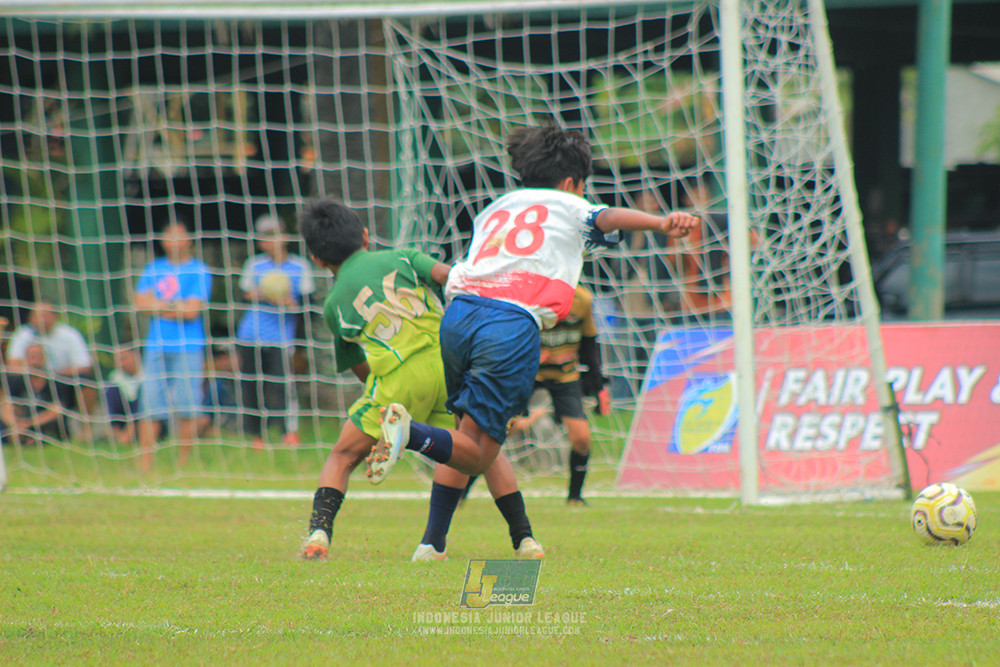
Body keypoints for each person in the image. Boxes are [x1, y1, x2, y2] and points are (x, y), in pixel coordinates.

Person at [367, 125, 697, 491]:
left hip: (459, 315)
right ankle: (413, 435)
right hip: (507, 324)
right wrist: (660, 223)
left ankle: (436, 543)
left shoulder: (495, 209)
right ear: (572, 182)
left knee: (466, 435)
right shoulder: (570, 204)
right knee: (480, 450)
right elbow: (606, 218)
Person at [296, 197, 543, 562]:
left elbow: (357, 363)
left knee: (343, 454)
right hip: (449, 364)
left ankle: (319, 533)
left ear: (317, 259)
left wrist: (379, 398)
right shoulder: (404, 257)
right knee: (479, 451)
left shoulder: (333, 304)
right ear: (365, 236)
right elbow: (449, 276)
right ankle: (521, 539)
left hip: (399, 379)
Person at [458, 284, 610, 507]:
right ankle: (461, 492)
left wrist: (598, 385)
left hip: (565, 376)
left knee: (581, 438)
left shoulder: (582, 299)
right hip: (527, 374)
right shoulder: (530, 297)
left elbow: (590, 344)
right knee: (493, 434)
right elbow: (509, 338)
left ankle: (574, 498)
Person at [133, 219, 213, 472]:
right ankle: (145, 465)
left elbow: (193, 311)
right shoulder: (153, 268)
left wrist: (159, 305)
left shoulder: (199, 270)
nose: (174, 242)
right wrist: (175, 306)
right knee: (150, 405)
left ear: (189, 239)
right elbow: (140, 303)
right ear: (163, 241)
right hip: (156, 346)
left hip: (188, 347)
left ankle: (183, 465)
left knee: (186, 406)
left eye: (179, 236)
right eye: (169, 236)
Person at [235, 213, 315, 449]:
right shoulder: (254, 264)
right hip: (249, 335)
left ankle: (287, 433)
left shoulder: (300, 266)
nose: (271, 240)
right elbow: (244, 295)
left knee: (282, 386)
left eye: (274, 234)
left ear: (285, 237)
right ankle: (255, 436)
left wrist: (290, 303)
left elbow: (309, 305)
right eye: (265, 236)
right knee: (252, 386)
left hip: (281, 338)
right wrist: (265, 295)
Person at [5, 301, 98, 438]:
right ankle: (15, 427)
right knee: (7, 380)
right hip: (31, 379)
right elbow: (12, 363)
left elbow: (84, 365)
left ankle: (86, 430)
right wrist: (36, 371)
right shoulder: (23, 334)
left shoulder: (69, 335)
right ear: (31, 318)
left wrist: (52, 375)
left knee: (87, 380)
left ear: (55, 317)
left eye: (46, 315)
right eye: (38, 315)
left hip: (60, 380)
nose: (42, 319)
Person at [0, 343, 68, 446]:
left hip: (42, 424)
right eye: (32, 357)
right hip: (20, 424)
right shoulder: (16, 381)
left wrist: (29, 423)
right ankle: (20, 437)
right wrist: (16, 424)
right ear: (25, 360)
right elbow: (6, 405)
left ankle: (30, 438)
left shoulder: (55, 382)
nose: (35, 361)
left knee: (54, 423)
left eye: (39, 357)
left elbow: (57, 410)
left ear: (45, 359)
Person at [104, 344, 145, 446]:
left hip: (146, 421)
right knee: (112, 390)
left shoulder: (148, 375)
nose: (121, 363)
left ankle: (129, 435)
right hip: (123, 419)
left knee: (144, 394)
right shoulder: (115, 378)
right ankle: (117, 434)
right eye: (117, 360)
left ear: (136, 356)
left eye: (124, 358)